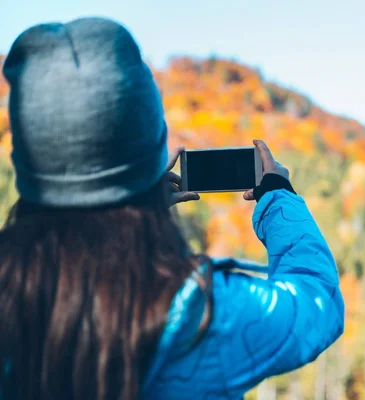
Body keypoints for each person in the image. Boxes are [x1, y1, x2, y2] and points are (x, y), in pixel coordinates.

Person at [0, 17, 344, 400]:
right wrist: (277, 195)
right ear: (149, 153)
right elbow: (317, 301)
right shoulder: (204, 317)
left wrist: (136, 195)